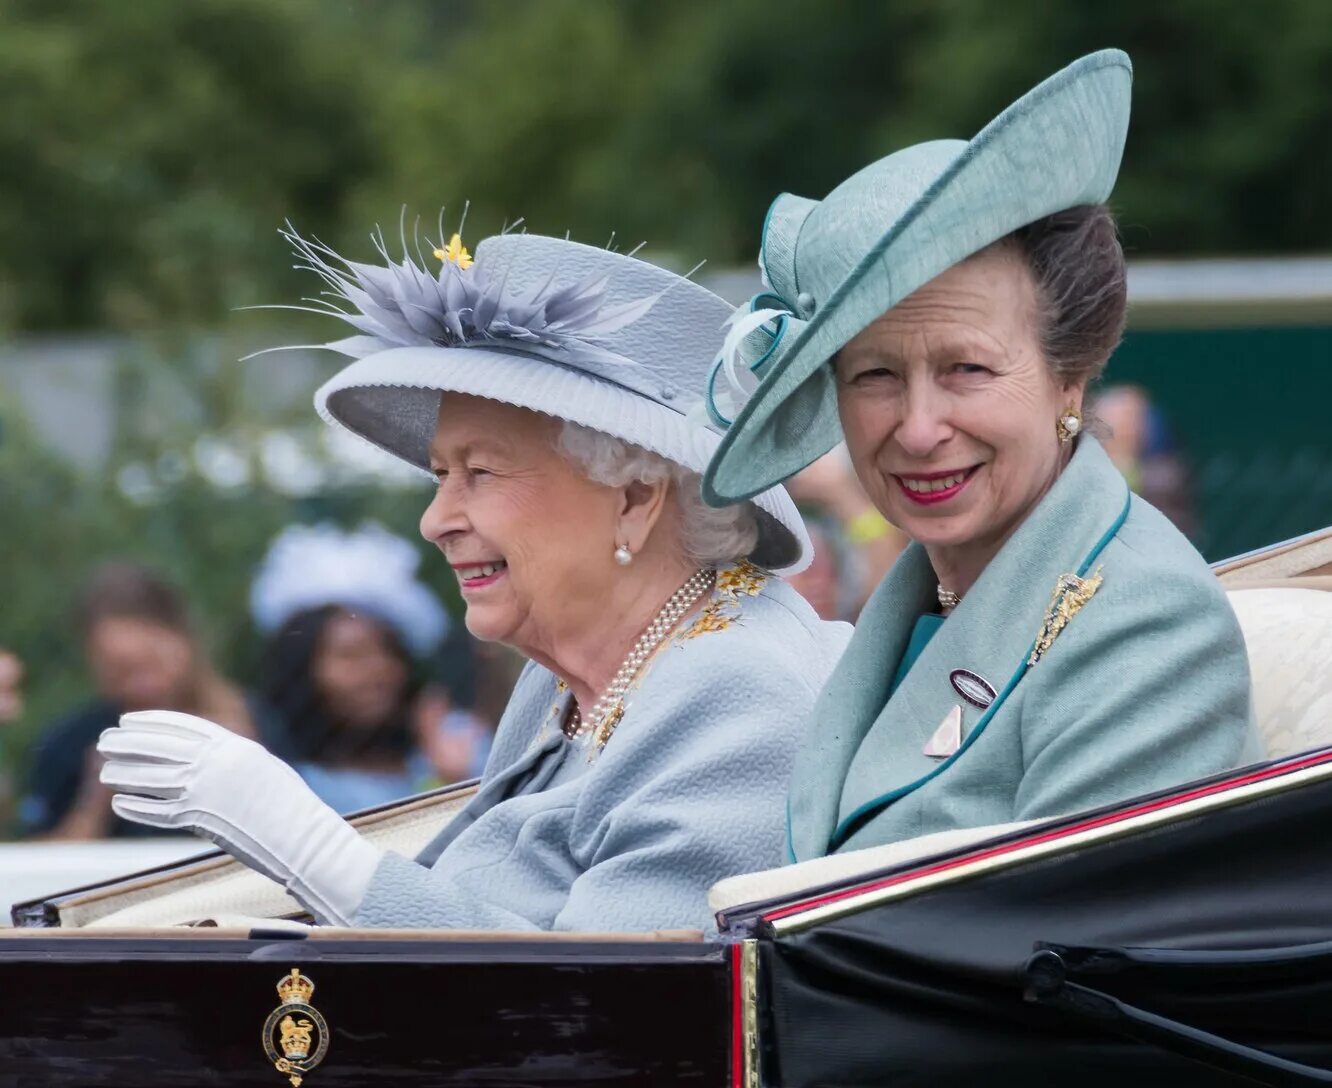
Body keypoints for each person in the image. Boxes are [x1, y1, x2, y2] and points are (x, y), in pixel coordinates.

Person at [98, 224, 850, 931]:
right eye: (439, 474)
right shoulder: (580, 674)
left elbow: (605, 1009)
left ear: (633, 497)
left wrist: (319, 854)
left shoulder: (738, 695)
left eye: (480, 473)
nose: (436, 520)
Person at [699, 50, 1263, 861]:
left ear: (1070, 375)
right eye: (876, 376)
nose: (920, 427)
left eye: (966, 369)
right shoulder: (918, 602)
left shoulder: (1147, 627)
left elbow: (1065, 962)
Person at [19, 563, 285, 840]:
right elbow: (38, 865)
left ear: (182, 641)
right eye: (120, 671)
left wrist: (247, 766)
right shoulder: (69, 744)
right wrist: (95, 799)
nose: (140, 685)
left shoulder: (253, 720)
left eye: (151, 665)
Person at [249, 521, 450, 813]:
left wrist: (447, 776)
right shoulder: (287, 788)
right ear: (302, 670)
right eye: (351, 655)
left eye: (388, 651)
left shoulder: (452, 745)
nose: (378, 670)